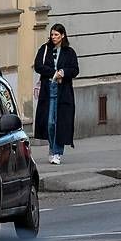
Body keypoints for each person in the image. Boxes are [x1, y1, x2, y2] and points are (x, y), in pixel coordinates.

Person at [33, 24, 79, 165]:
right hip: (48, 90)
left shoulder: (69, 52)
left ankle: (57, 152)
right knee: (50, 123)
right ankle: (52, 149)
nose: (53, 37)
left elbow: (75, 70)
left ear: (63, 36)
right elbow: (38, 66)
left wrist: (63, 73)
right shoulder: (45, 49)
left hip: (63, 92)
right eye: (52, 35)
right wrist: (54, 73)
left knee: (60, 122)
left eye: (56, 35)